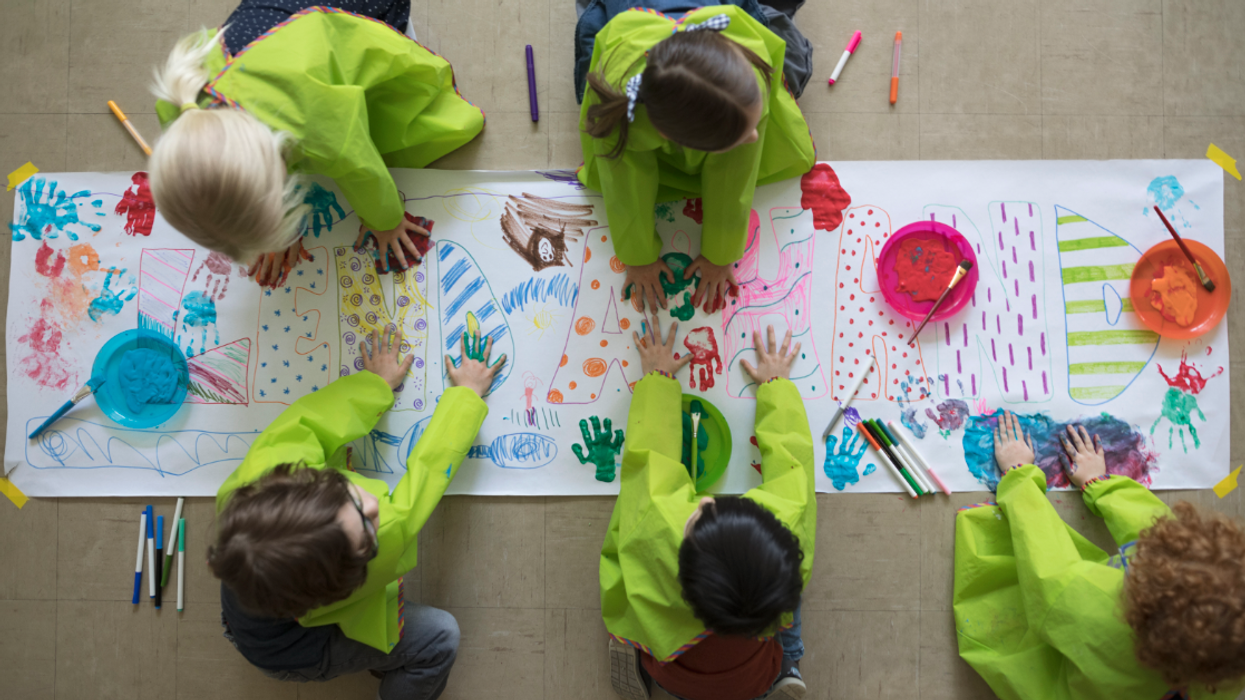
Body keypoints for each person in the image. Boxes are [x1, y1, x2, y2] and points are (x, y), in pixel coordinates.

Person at [208, 328, 505, 698]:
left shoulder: (264, 472)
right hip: (291, 651)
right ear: (346, 578)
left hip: (255, 607)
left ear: (304, 479)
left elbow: (315, 419)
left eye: (346, 499)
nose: (374, 506)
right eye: (367, 528)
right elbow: (425, 480)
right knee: (439, 637)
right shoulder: (376, 546)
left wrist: (376, 385)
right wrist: (465, 397)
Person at [148, 1, 484, 286]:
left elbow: (361, 168)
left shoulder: (315, 127)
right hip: (277, 20)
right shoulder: (182, 106)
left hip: (357, 12)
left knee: (403, 120)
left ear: (282, 162)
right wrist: (277, 229)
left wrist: (386, 221)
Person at [955, 411, 1245, 700]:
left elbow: (1043, 558)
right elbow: (1155, 531)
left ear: (1139, 601)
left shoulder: (1091, 608)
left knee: (1000, 571)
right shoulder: (1229, 659)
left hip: (1078, 678)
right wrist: (1099, 482)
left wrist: (1018, 476)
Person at [603, 323, 815, 700]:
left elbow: (649, 457)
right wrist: (777, 387)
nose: (704, 500)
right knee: (791, 589)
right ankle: (790, 663)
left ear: (682, 571)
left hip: (672, 670)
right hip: (752, 678)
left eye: (700, 517)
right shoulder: (788, 525)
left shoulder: (657, 528)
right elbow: (793, 463)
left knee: (631, 577)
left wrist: (657, 378)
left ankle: (631, 640)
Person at [575, 4, 816, 315]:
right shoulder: (622, 105)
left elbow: (735, 173)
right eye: (741, 137)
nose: (754, 139)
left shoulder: (748, 70)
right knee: (587, 81)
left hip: (717, 13)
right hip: (628, 26)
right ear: (669, 136)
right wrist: (638, 256)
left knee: (795, 67)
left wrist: (721, 253)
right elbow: (622, 183)